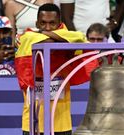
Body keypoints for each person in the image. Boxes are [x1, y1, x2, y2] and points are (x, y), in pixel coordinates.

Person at [15, 3, 98, 135]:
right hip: (33, 121)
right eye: (43, 23)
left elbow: (80, 38)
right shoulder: (26, 36)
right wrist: (60, 38)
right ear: (37, 23)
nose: (47, 27)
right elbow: (42, 43)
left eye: (52, 23)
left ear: (60, 23)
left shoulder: (71, 35)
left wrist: (47, 34)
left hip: (61, 123)